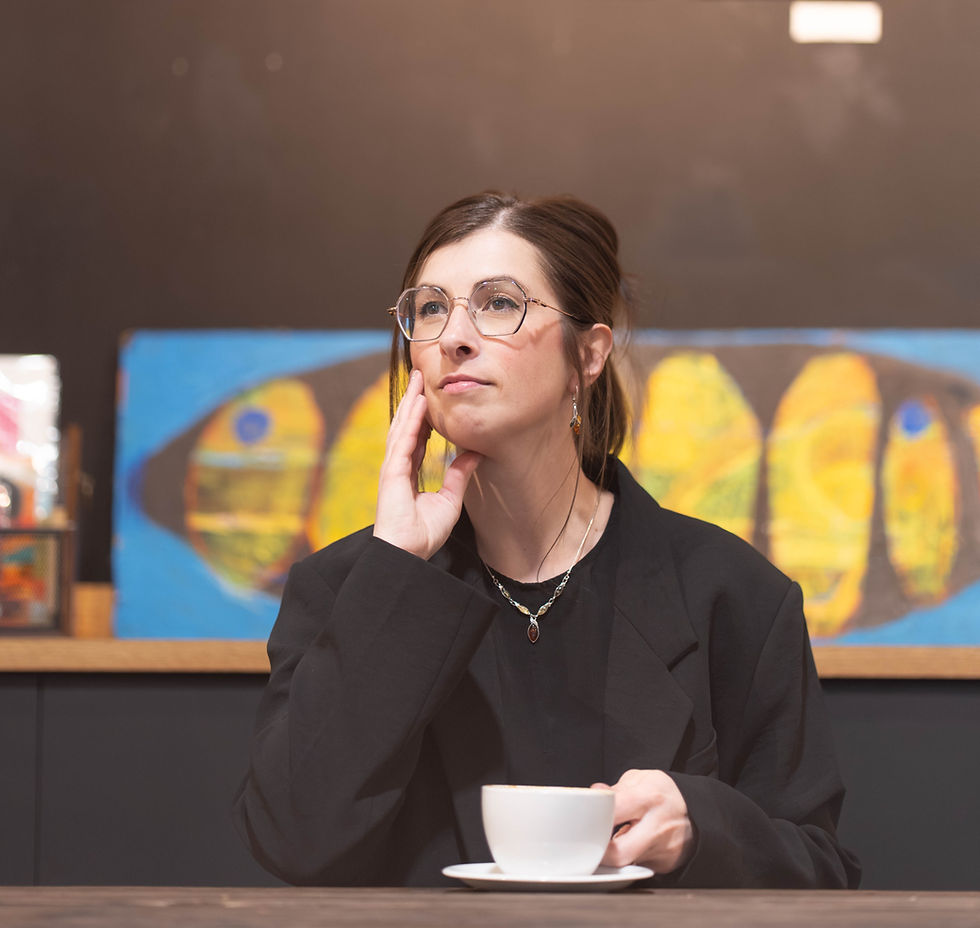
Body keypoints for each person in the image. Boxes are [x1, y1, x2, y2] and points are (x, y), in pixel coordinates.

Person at [233, 191, 861, 889]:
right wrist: (396, 571)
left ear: (588, 356)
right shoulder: (347, 586)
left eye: (499, 304)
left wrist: (699, 829)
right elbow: (293, 839)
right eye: (432, 308)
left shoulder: (731, 594)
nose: (453, 336)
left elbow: (822, 873)